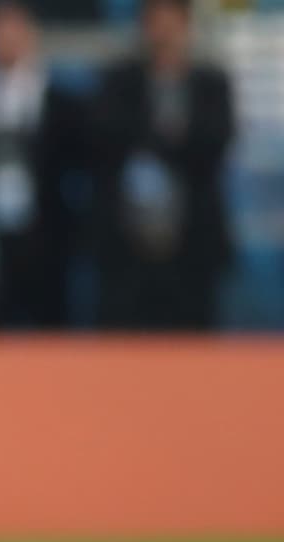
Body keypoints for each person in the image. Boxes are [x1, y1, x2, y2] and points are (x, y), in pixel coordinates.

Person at [90, 0, 235, 330]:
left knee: (192, 340)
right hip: (126, 245)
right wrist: (167, 136)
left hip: (192, 244)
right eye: (156, 21)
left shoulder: (211, 82)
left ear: (186, 25)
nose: (164, 32)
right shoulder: (119, 81)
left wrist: (158, 141)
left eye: (172, 21)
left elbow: (216, 142)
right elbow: (103, 137)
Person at [0, 0, 85, 329]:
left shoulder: (62, 103)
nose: (6, 35)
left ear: (31, 32)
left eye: (14, 25)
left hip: (45, 244)